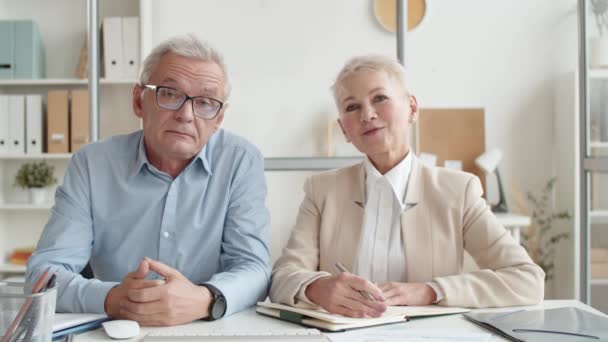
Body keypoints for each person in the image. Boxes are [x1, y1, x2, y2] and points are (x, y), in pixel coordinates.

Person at [269, 55, 545, 318]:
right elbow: (282, 276)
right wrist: (316, 288)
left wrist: (431, 291)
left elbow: (527, 280)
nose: (367, 114)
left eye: (380, 98)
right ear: (344, 129)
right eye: (352, 106)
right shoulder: (322, 189)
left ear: (412, 108)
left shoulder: (459, 190)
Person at [26, 34, 270, 326]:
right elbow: (44, 275)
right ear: (139, 101)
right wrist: (114, 298)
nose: (186, 115)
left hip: (207, 329)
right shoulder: (93, 164)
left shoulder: (240, 161)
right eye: (169, 93)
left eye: (205, 102)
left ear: (218, 119)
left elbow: (254, 267)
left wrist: (206, 299)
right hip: (117, 328)